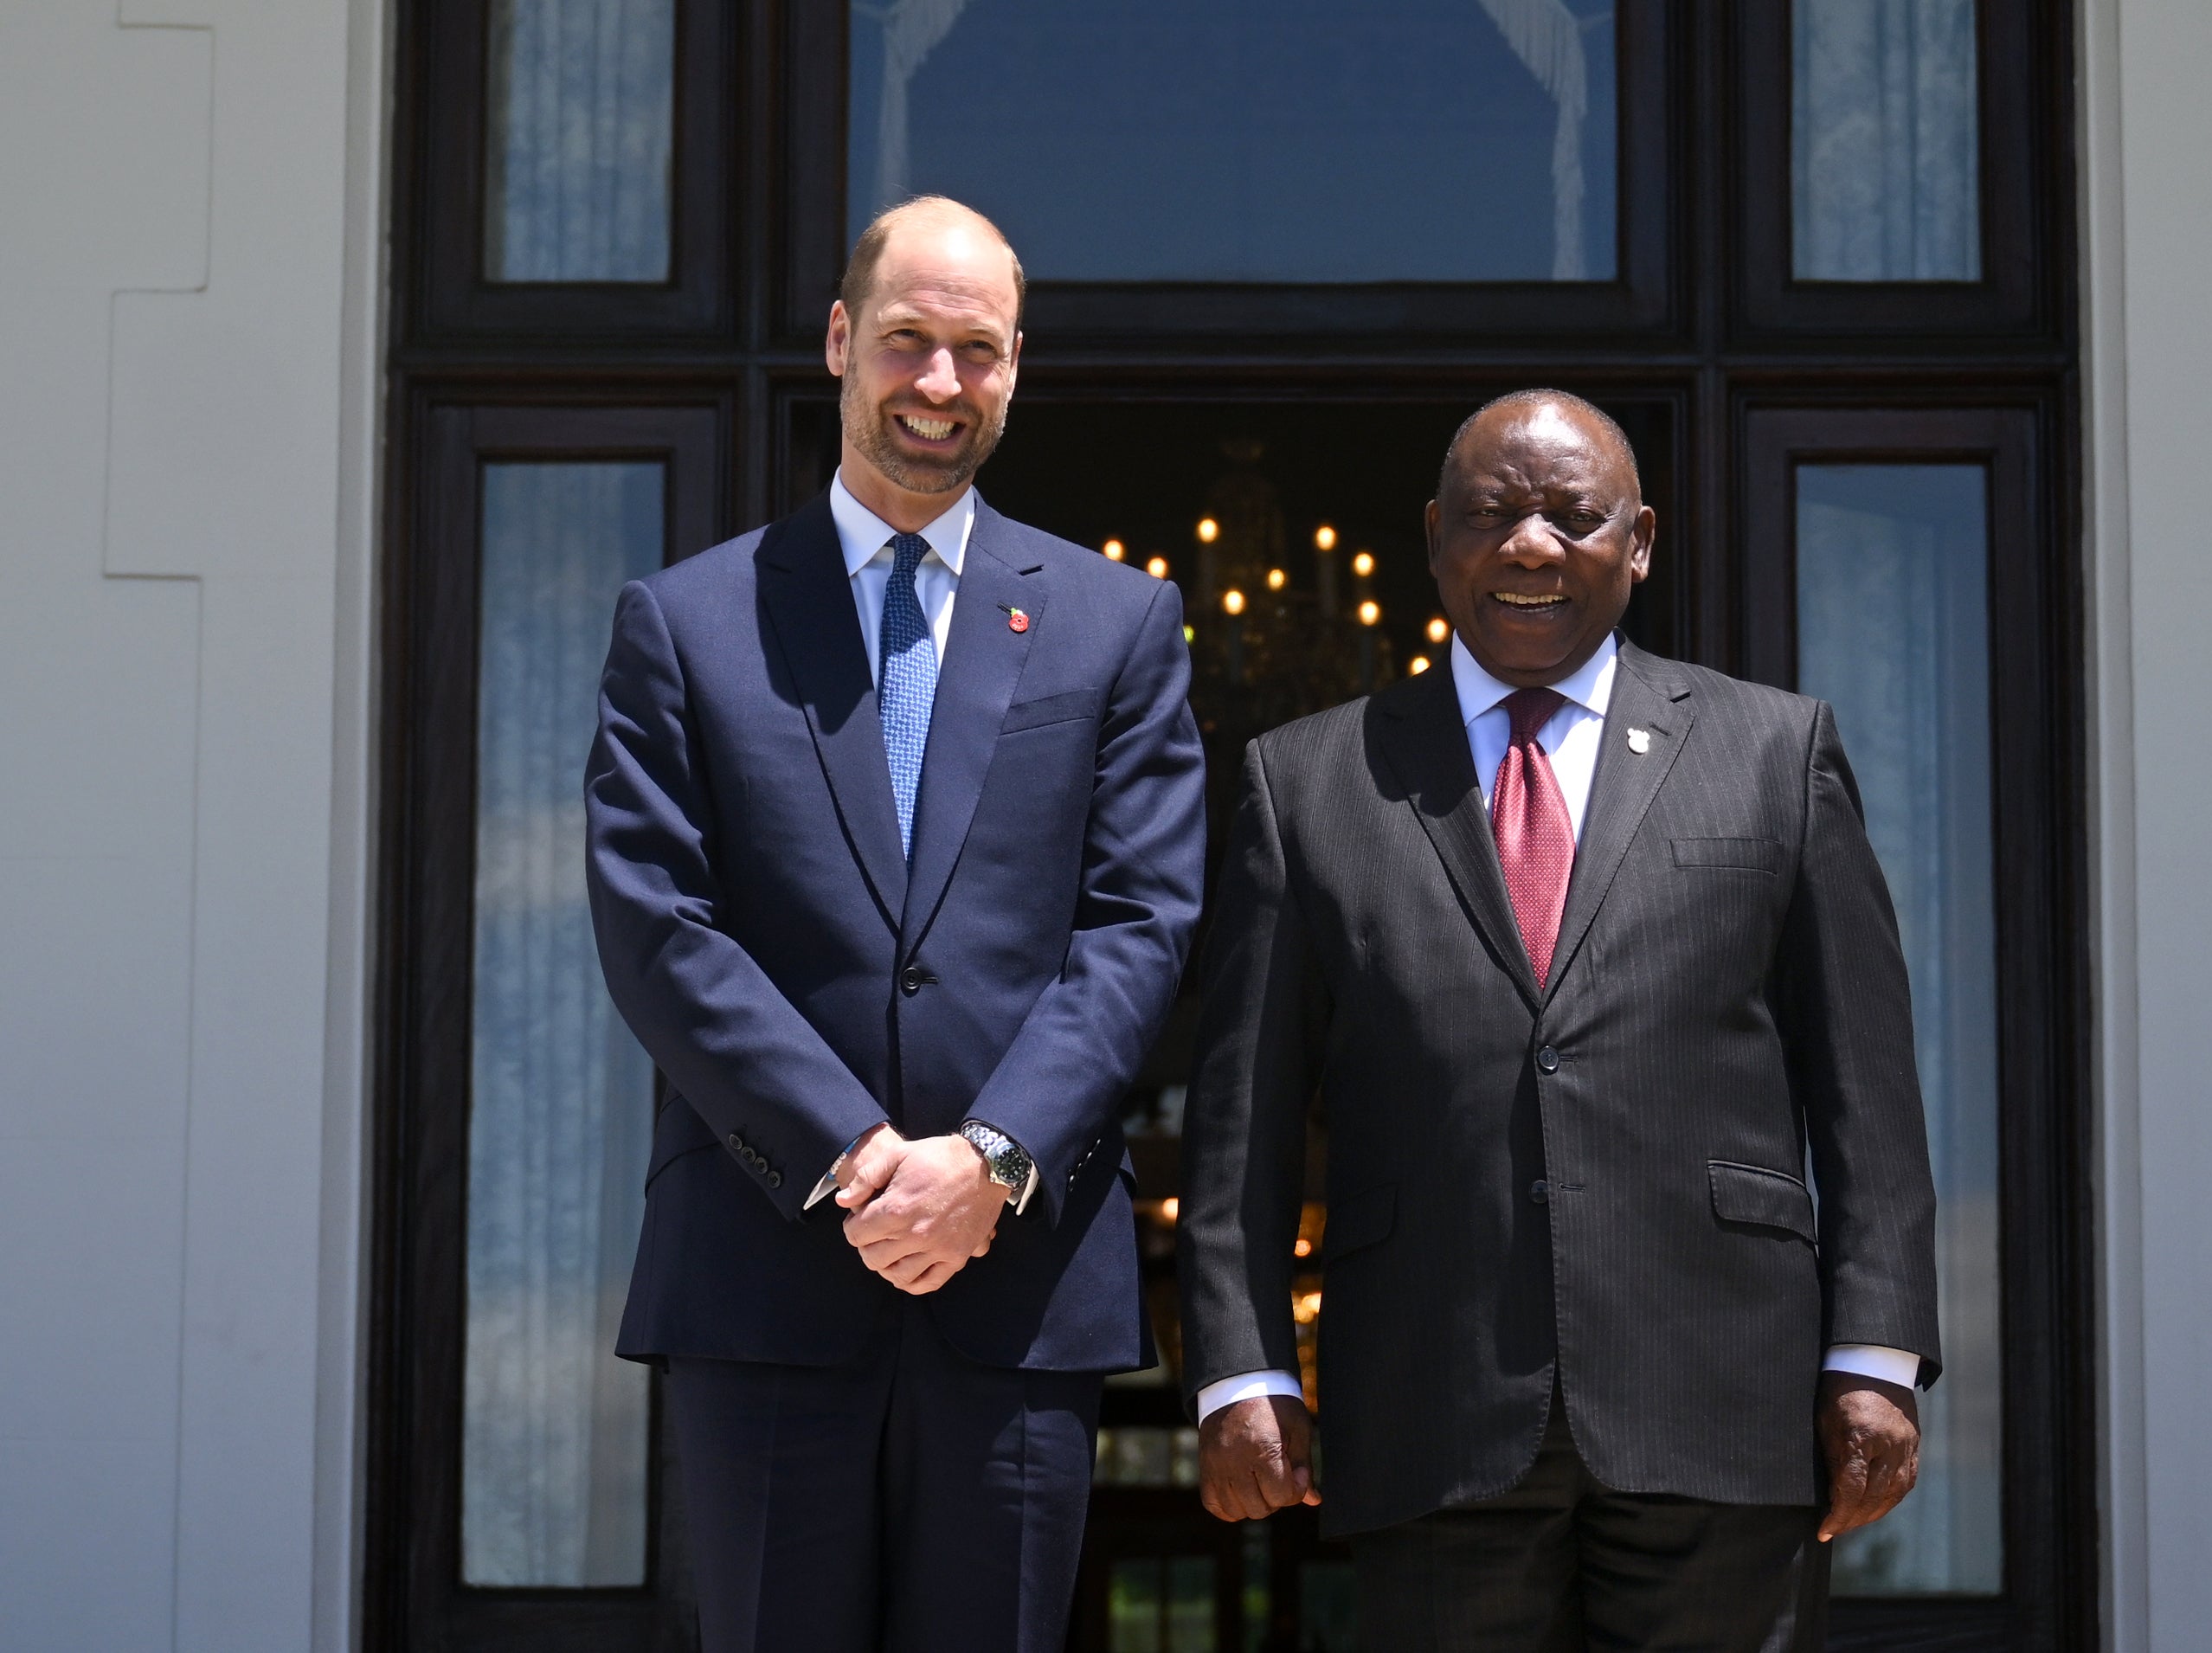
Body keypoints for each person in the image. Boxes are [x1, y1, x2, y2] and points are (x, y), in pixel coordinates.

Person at [1176, 390, 1939, 1651]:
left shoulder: (1773, 751)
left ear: (1638, 541)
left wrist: (1875, 1352)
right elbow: (1239, 1115)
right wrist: (1243, 1366)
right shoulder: (1307, 779)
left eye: (1573, 518)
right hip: (1433, 1397)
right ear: (1434, 537)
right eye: (1492, 515)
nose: (1531, 547)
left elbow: (1869, 1092)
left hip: (1720, 1396)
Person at [586, 196, 1206, 1652]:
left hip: (1017, 1289)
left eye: (975, 351)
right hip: (765, 1274)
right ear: (840, 342)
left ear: (1014, 367)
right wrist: (859, 1160)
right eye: (909, 343)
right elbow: (658, 925)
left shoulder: (1119, 625)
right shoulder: (687, 621)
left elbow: (1142, 923)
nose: (939, 383)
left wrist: (989, 1163)